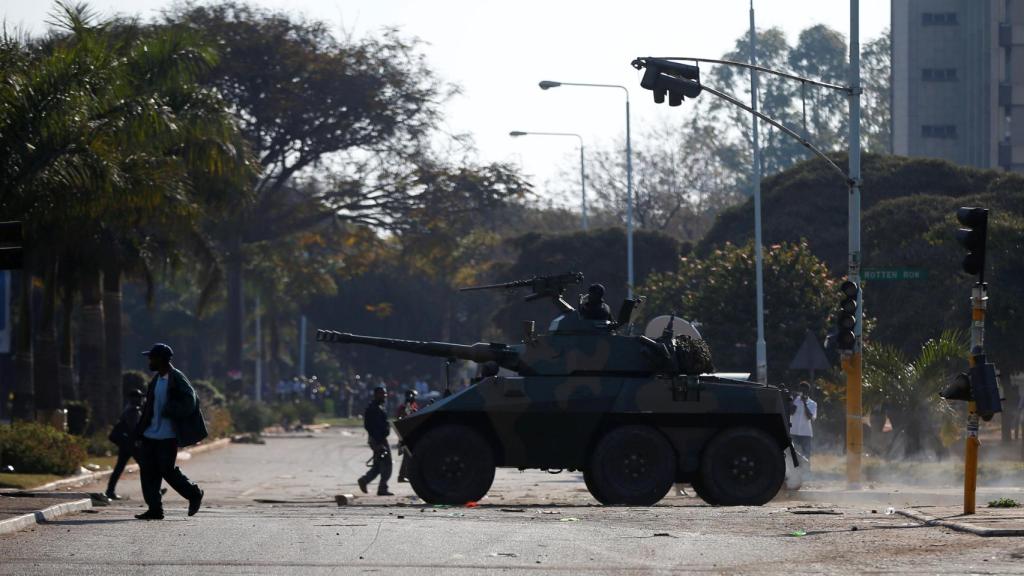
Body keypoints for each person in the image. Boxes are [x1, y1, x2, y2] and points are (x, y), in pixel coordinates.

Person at [133, 343, 208, 520]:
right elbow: (148, 409)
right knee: (148, 470)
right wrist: (139, 431)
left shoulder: (177, 378)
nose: (149, 361)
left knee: (167, 470)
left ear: (162, 359)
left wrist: (172, 409)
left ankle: (194, 494)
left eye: (152, 357)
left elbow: (190, 401)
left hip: (168, 434)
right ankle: (155, 509)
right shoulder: (156, 380)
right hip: (151, 433)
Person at [105, 388, 144, 500]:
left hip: (125, 443)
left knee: (119, 468)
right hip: (131, 444)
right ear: (134, 399)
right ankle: (154, 490)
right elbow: (134, 428)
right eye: (139, 397)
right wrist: (139, 440)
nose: (141, 399)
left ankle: (110, 490)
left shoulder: (128, 409)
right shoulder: (133, 410)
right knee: (146, 467)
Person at [357, 385, 394, 496]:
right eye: (382, 394)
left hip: (380, 439)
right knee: (387, 464)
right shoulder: (373, 409)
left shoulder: (379, 407)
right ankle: (382, 487)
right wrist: (378, 443)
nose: (385, 396)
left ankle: (364, 480)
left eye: (385, 393)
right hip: (378, 440)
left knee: (378, 466)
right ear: (377, 394)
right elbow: (370, 426)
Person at [789, 381, 818, 465]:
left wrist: (805, 404)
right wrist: (793, 400)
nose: (802, 393)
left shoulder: (813, 403)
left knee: (806, 455)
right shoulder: (794, 401)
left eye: (804, 391)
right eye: (801, 390)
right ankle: (795, 473)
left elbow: (810, 417)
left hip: (806, 433)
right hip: (793, 432)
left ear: (808, 391)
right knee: (792, 454)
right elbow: (791, 412)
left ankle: (806, 473)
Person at [395, 390, 420, 483]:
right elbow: (405, 418)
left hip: (411, 433)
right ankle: (402, 476)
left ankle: (405, 475)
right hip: (406, 434)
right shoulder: (405, 407)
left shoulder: (413, 406)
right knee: (407, 456)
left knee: (409, 456)